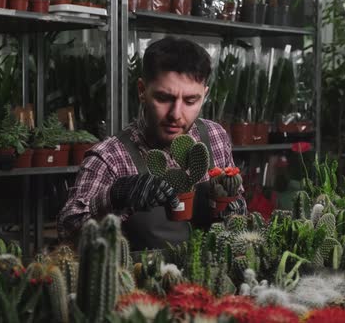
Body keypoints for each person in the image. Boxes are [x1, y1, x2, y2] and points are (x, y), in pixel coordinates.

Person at [57, 37, 246, 249]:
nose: (176, 114)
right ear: (141, 91)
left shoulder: (214, 136)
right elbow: (67, 230)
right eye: (164, 98)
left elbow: (236, 211)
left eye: (191, 101)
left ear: (205, 96)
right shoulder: (110, 157)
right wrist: (115, 196)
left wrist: (235, 209)